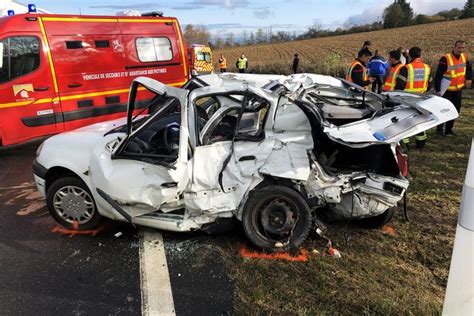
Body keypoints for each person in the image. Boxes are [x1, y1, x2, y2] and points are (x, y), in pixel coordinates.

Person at [434, 40, 472, 136]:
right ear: (454, 47)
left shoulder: (464, 57)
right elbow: (438, 75)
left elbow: (469, 69)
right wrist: (438, 89)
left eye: (463, 48)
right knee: (443, 110)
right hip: (446, 90)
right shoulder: (445, 58)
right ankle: (439, 129)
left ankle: (449, 130)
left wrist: (469, 78)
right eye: (459, 47)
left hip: (458, 89)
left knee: (455, 110)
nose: (461, 50)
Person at [403, 46, 432, 149]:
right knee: (420, 121)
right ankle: (420, 144)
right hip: (421, 98)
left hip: (407, 99)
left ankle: (405, 145)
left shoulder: (406, 68)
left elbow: (399, 86)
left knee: (405, 121)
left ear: (410, 55)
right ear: (420, 55)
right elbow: (430, 84)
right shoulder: (427, 67)